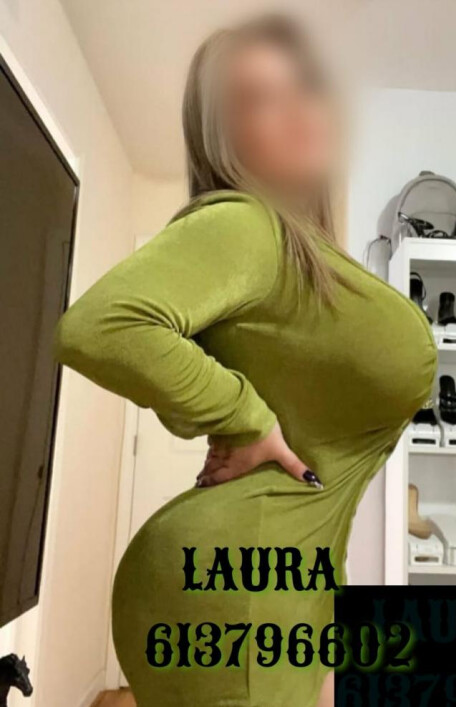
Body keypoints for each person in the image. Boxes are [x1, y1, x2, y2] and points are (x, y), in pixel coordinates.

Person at [54, 15, 436, 707]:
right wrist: (245, 415)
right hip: (237, 588)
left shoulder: (301, 258)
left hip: (287, 575)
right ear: (223, 137)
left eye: (304, 87)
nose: (297, 110)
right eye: (259, 98)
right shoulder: (246, 224)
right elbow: (100, 327)